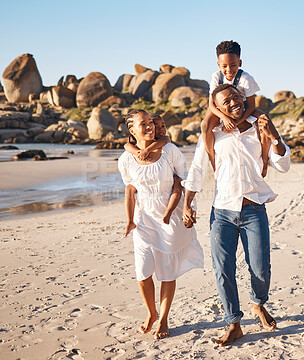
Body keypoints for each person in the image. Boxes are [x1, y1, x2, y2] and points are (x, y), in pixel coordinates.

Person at [183, 84, 291, 346]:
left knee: (261, 269)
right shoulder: (213, 134)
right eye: (225, 101)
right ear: (217, 108)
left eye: (236, 97)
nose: (233, 103)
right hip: (222, 211)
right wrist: (188, 204)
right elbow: (197, 168)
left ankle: (258, 303)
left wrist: (274, 134)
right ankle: (234, 323)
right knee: (223, 269)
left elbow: (283, 164)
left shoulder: (259, 128)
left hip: (254, 208)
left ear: (244, 98)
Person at [118, 109, 204, 339]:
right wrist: (129, 220)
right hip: (143, 218)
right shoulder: (125, 159)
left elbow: (185, 181)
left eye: (150, 123)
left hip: (169, 219)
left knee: (167, 272)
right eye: (143, 124)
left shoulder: (170, 151)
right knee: (142, 271)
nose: (149, 127)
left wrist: (188, 208)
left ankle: (163, 318)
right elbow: (130, 189)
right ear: (131, 129)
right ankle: (151, 312)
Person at [201, 40, 270, 176]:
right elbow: (211, 105)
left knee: (264, 120)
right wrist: (225, 118)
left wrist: (236, 123)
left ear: (240, 63)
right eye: (224, 66)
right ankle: (214, 164)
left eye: (233, 65)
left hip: (242, 107)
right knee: (205, 125)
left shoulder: (246, 79)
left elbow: (251, 106)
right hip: (223, 109)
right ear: (218, 64)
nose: (228, 70)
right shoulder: (216, 76)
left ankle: (265, 161)